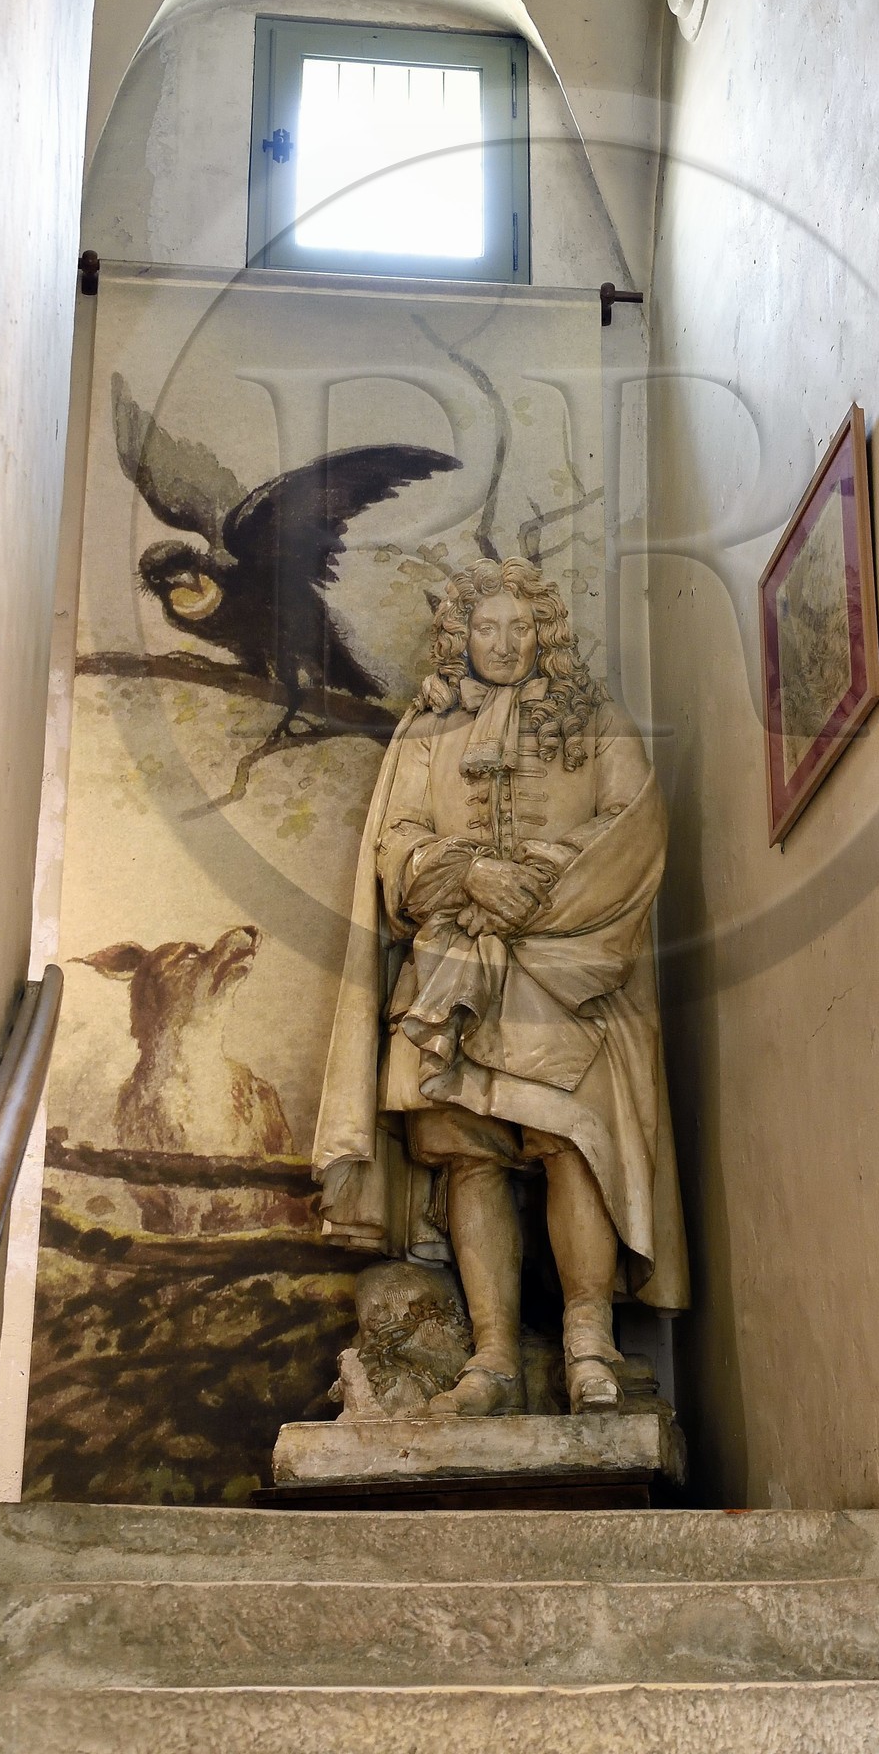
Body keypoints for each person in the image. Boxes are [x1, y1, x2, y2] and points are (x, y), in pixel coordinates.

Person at [312, 558, 688, 1415]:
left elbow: (634, 828)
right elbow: (397, 843)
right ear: (461, 636)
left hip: (572, 975)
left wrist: (540, 879)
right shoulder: (428, 732)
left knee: (574, 1142)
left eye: (521, 627)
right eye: (487, 628)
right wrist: (468, 873)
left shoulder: (596, 720)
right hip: (455, 971)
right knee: (470, 1158)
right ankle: (491, 1360)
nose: (505, 643)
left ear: (544, 631)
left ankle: (589, 1342)